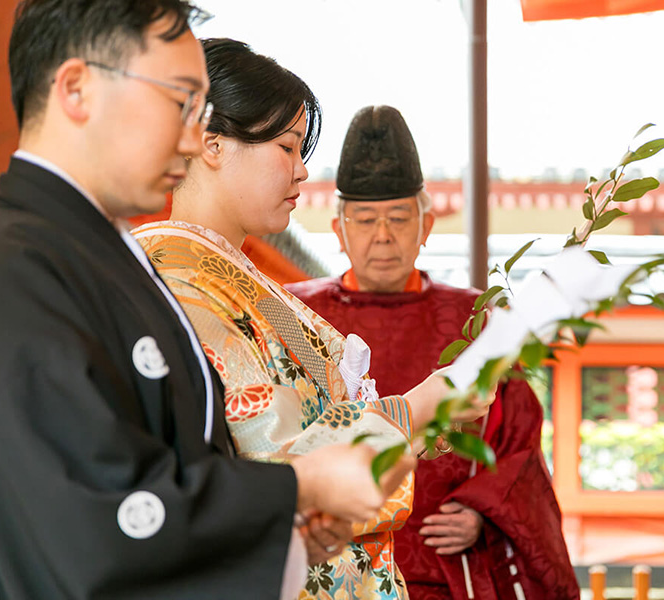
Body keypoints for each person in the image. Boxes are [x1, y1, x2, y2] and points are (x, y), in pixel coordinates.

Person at [0, 3, 413, 598]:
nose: (195, 138)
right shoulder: (21, 267)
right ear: (77, 90)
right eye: (179, 103)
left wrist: (282, 524)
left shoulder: (100, 256)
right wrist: (296, 493)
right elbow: (98, 519)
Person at [132, 39, 485, 600]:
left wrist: (417, 423)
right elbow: (274, 454)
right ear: (211, 143)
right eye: (288, 147)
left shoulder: (229, 274)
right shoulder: (180, 276)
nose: (301, 172)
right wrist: (415, 409)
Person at [286, 105, 580, 599]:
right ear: (338, 230)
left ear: (426, 225)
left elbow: (519, 445)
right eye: (364, 219)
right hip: (334, 567)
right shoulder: (295, 313)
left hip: (446, 573)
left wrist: (482, 512)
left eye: (399, 217)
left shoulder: (476, 320)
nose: (383, 235)